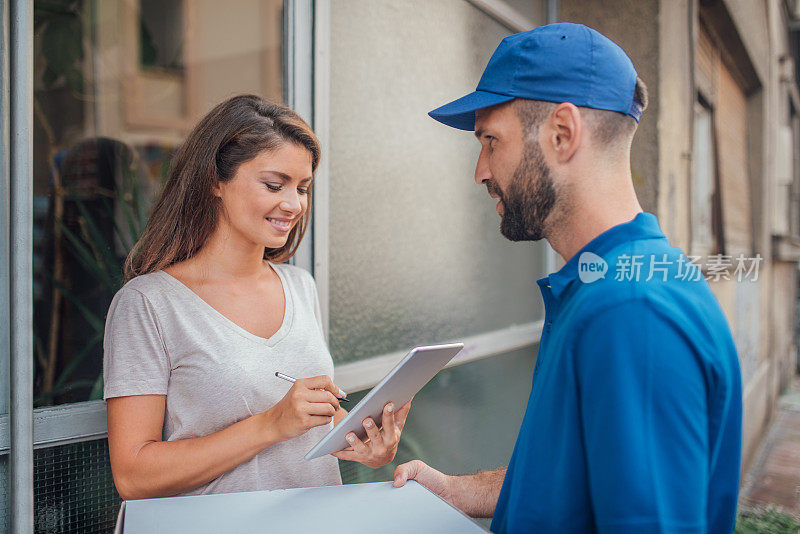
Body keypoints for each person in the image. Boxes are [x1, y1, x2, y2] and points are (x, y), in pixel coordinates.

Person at [393, 23, 742, 533]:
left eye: (491, 141)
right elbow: (575, 469)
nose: (480, 171)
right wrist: (456, 492)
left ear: (562, 133)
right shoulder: (606, 285)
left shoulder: (630, 313)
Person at [103, 95, 410, 500]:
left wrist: (365, 444)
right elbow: (133, 476)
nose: (294, 204)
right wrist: (270, 425)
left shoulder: (300, 287)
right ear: (215, 179)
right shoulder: (148, 304)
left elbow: (315, 424)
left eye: (302, 188)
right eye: (273, 184)